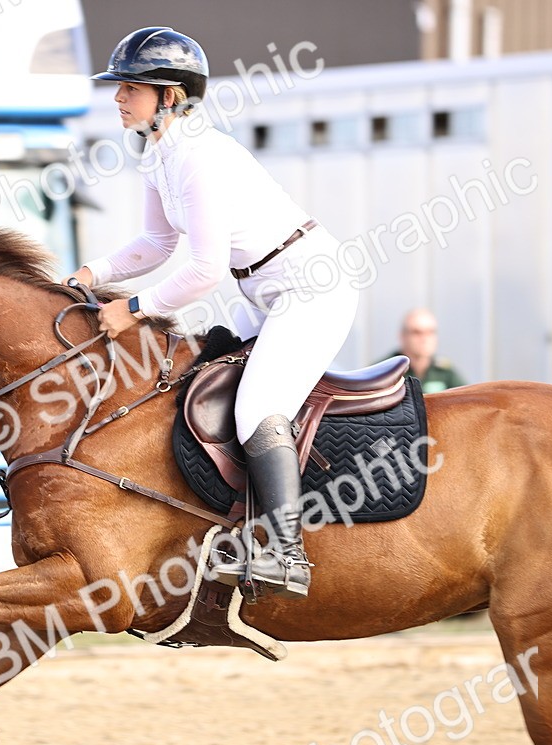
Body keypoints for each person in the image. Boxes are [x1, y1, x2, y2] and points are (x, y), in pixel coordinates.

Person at [64, 27, 360, 599]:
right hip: (267, 292)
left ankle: (287, 554)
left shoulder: (200, 157)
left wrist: (135, 309)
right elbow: (155, 243)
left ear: (169, 96)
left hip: (310, 288)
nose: (119, 99)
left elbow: (203, 269)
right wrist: (92, 275)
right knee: (204, 382)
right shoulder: (158, 155)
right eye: (119, 89)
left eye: (131, 88)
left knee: (255, 408)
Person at [391, 308, 465, 393]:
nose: (424, 339)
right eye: (416, 332)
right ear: (402, 336)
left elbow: (465, 399)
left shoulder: (443, 370)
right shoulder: (388, 371)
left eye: (430, 332)